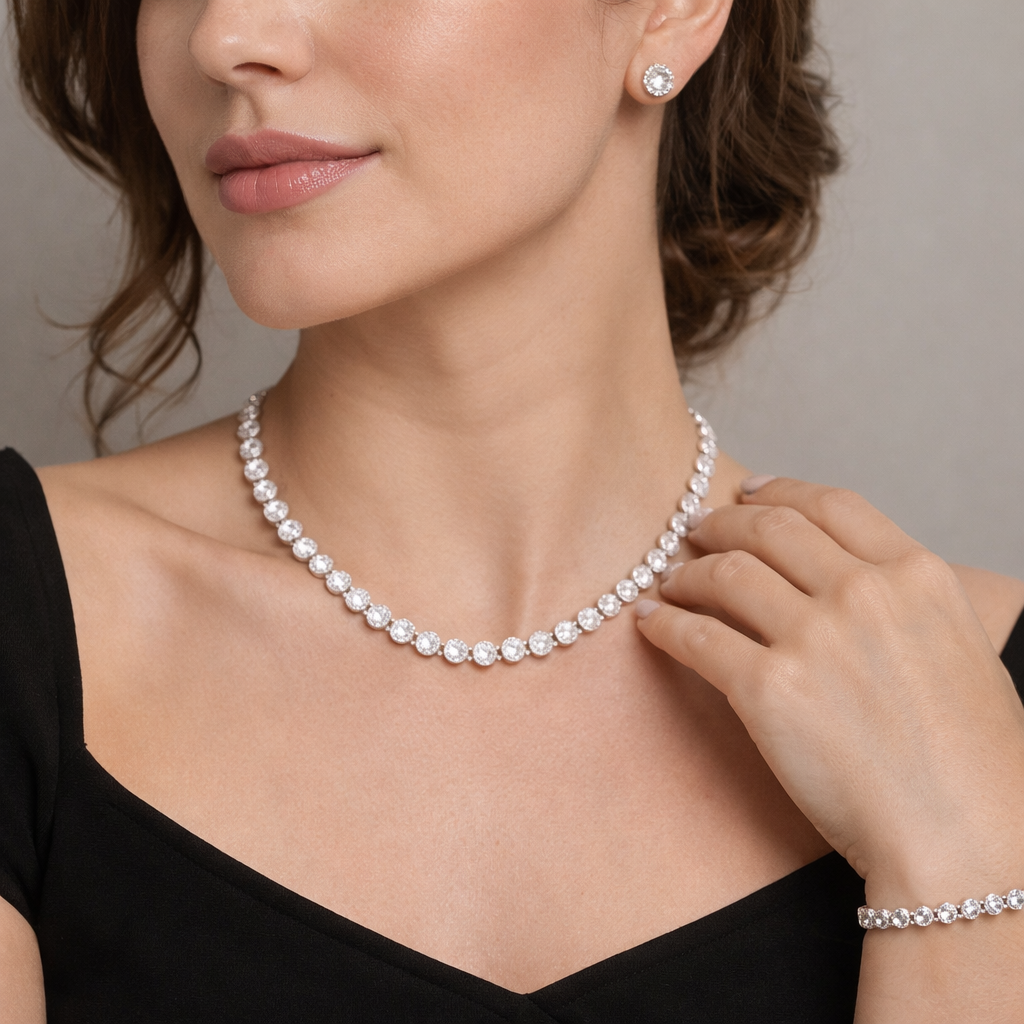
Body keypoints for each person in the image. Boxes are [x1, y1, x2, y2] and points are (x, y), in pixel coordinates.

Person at [2, 0, 1022, 1020]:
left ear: (670, 13)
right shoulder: (26, 621)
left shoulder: (981, 697)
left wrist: (963, 861)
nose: (225, 38)